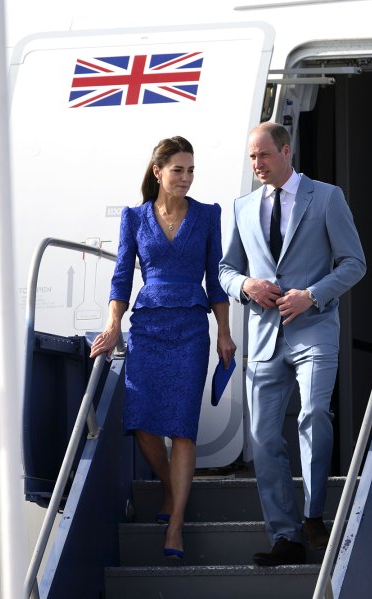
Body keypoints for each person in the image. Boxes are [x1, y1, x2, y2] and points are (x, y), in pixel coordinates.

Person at [219, 122, 366, 566]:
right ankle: (285, 536)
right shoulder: (243, 207)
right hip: (264, 338)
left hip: (315, 328)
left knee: (314, 413)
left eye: (263, 155)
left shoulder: (327, 197)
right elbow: (225, 269)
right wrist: (247, 285)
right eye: (251, 158)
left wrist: (312, 295)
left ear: (286, 151)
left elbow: (355, 263)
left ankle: (313, 515)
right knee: (263, 438)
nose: (256, 164)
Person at [89, 136, 236, 561]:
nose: (186, 178)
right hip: (148, 325)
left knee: (183, 427)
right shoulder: (135, 217)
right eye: (178, 170)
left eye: (191, 170)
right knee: (143, 422)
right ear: (158, 171)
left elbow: (215, 280)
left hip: (191, 326)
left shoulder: (208, 215)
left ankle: (175, 526)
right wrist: (113, 324)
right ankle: (171, 490)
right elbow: (121, 277)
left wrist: (224, 332)